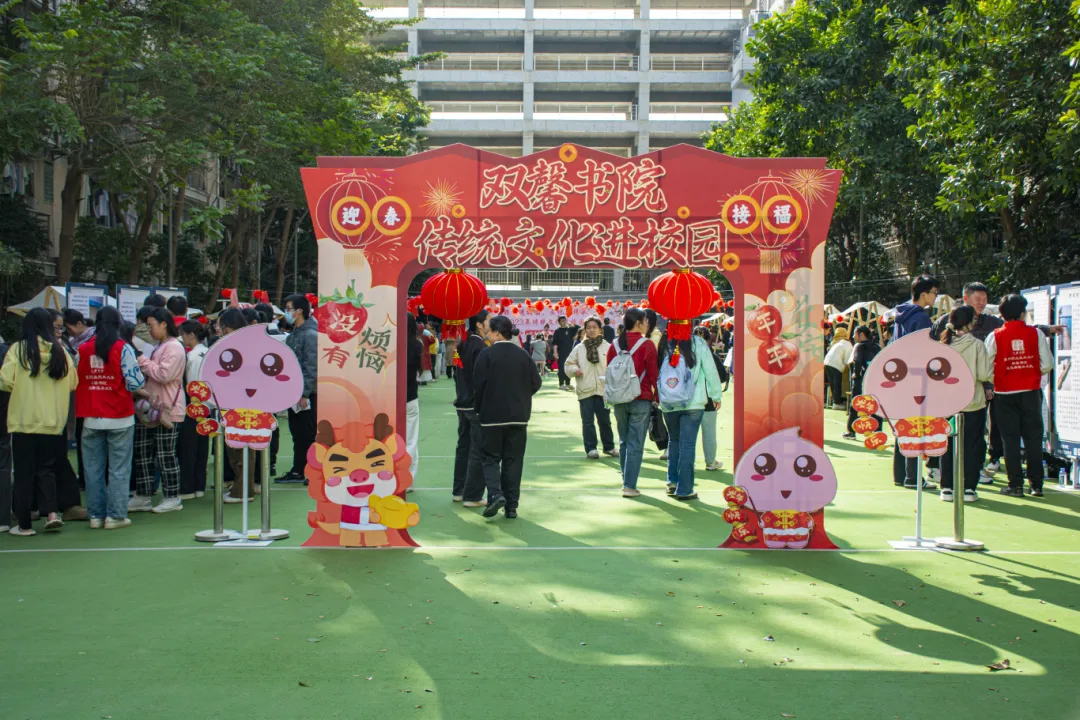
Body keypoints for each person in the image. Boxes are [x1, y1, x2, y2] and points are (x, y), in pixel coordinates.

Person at [0, 308, 79, 535]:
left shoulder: (18, 350)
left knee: (23, 473)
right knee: (47, 470)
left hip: (24, 419)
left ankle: (24, 524)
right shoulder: (60, 352)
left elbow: (5, 381)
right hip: (52, 421)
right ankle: (52, 513)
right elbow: (73, 382)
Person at [75, 307, 145, 529]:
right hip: (120, 415)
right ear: (118, 324)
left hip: (91, 415)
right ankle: (115, 516)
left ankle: (95, 516)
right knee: (119, 468)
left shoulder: (82, 349)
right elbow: (135, 383)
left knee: (92, 469)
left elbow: (76, 379)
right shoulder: (123, 348)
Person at [473, 315, 542, 519]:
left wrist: (480, 407)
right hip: (518, 415)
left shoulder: (487, 354)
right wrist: (522, 397)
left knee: (490, 458)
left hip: (491, 415)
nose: (487, 334)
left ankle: (495, 494)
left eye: (489, 331)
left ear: (496, 332)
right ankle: (511, 506)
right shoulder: (522, 355)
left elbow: (479, 384)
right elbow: (536, 382)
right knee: (514, 460)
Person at [985, 294, 1054, 497]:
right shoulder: (1036, 333)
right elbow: (1047, 364)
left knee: (1010, 440)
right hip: (1030, 392)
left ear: (1002, 314)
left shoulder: (994, 336)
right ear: (1023, 313)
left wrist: (999, 377)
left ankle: (1015, 485)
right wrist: (1031, 373)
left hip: (1004, 394)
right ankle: (1036, 485)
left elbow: (986, 367)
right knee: (1033, 439)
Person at [129, 308, 186, 513]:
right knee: (142, 453)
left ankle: (172, 496)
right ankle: (143, 495)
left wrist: (142, 361)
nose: (149, 330)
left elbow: (164, 375)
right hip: (151, 408)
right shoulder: (161, 346)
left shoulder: (174, 347)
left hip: (167, 408)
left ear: (164, 324)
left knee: (165, 455)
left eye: (151, 325)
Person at [936, 306, 993, 503]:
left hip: (947, 403)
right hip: (973, 402)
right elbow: (985, 374)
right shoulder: (977, 344)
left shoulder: (943, 345)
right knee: (972, 446)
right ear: (970, 322)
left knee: (947, 444)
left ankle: (947, 487)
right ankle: (969, 488)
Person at [658, 329, 724, 500]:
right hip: (693, 401)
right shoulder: (699, 342)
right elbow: (710, 371)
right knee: (687, 445)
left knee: (674, 441)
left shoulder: (664, 341)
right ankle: (685, 488)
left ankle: (672, 482)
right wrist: (715, 395)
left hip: (669, 401)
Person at [890, 275, 939, 489]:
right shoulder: (921, 318)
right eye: (934, 292)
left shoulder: (901, 315)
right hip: (917, 377)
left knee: (903, 426)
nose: (935, 297)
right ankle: (912, 477)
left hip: (900, 375)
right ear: (923, 294)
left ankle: (900, 474)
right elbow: (925, 350)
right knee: (915, 426)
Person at [607, 308, 659, 498]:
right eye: (645, 321)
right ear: (638, 323)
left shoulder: (615, 345)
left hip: (619, 399)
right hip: (640, 398)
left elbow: (609, 372)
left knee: (624, 441)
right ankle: (629, 485)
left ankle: (626, 480)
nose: (647, 324)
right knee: (636, 443)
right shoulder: (647, 345)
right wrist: (657, 396)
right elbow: (653, 374)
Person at [276, 294, 318, 484]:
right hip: (295, 392)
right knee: (298, 433)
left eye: (289, 308)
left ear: (300, 311)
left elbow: (312, 367)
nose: (286, 312)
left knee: (307, 433)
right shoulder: (295, 333)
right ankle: (298, 469)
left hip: (307, 394)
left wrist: (305, 393)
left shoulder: (310, 335)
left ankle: (311, 471)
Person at [564, 316, 617, 459]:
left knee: (605, 420)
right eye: (589, 328)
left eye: (595, 327)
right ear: (585, 330)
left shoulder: (608, 347)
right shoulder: (579, 348)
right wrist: (575, 370)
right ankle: (591, 448)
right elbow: (568, 365)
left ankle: (609, 447)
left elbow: (615, 365)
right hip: (585, 389)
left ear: (600, 329)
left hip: (603, 390)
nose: (592, 330)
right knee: (588, 422)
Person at [453, 311, 490, 505]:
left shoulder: (464, 344)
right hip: (475, 405)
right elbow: (481, 378)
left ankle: (459, 490)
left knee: (464, 448)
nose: (491, 323)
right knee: (477, 449)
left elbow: (457, 374)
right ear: (479, 324)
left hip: (462, 403)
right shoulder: (480, 346)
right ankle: (472, 495)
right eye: (489, 320)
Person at [178, 320, 210, 500]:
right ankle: (199, 485)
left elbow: (191, 384)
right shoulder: (208, 352)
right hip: (207, 406)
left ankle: (188, 487)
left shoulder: (192, 356)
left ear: (191, 335)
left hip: (194, 405)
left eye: (183, 334)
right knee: (201, 449)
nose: (182, 338)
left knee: (188, 449)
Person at [696, 328, 727, 472]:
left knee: (687, 435)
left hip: (690, 401)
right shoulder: (711, 356)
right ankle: (710, 461)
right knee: (709, 433)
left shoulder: (686, 354)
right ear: (709, 340)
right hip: (708, 400)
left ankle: (686, 463)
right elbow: (722, 376)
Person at [843, 326, 881, 439]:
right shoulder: (877, 347)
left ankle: (851, 432)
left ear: (861, 334)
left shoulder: (859, 346)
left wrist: (856, 375)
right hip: (875, 380)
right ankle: (877, 432)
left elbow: (857, 360)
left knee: (856, 405)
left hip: (861, 380)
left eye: (855, 334)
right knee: (875, 406)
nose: (853, 336)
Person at [406, 315, 422, 483]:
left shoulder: (391, 344)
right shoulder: (417, 345)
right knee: (410, 440)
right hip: (410, 397)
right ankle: (408, 479)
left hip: (392, 398)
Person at [823, 326, 852, 410]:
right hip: (836, 364)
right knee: (837, 384)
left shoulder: (837, 344)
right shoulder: (848, 344)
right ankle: (837, 403)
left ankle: (835, 402)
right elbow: (848, 359)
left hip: (827, 362)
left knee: (833, 384)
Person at [552, 316, 577, 392]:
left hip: (570, 353)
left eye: (564, 320)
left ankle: (568, 383)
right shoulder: (557, 331)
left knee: (568, 368)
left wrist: (573, 327)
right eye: (562, 321)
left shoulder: (569, 330)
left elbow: (576, 335)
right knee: (561, 369)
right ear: (559, 322)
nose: (563, 322)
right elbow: (555, 344)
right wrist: (555, 353)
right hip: (561, 353)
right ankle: (561, 384)